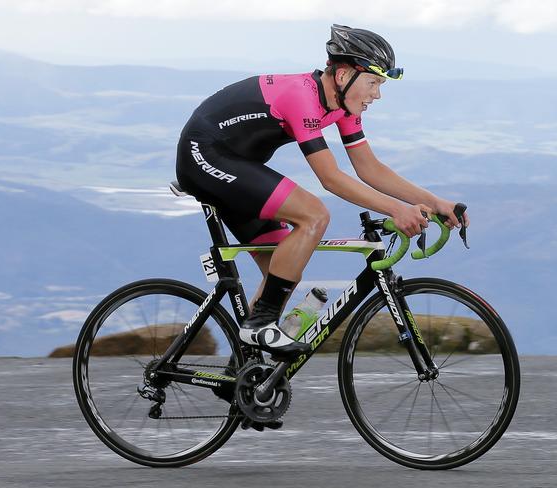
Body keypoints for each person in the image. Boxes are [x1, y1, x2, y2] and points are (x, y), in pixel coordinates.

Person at [176, 24, 469, 358]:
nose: (377, 94)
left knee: (282, 270)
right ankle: (258, 327)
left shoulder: (342, 107)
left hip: (239, 166)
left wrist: (433, 202)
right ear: (343, 76)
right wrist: (396, 210)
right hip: (204, 155)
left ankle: (243, 376)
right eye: (373, 83)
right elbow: (330, 178)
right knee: (314, 215)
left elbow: (369, 168)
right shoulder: (302, 97)